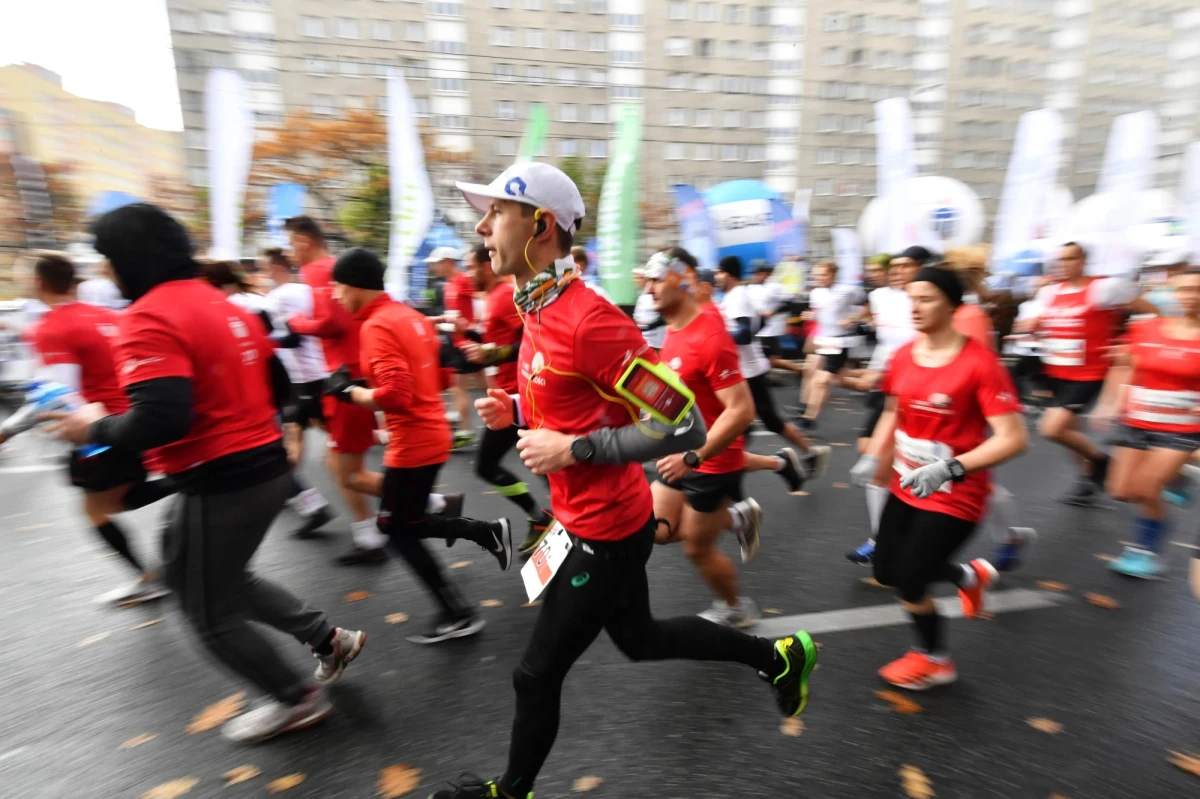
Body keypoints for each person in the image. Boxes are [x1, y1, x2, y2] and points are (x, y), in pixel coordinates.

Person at [427, 162, 817, 799]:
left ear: (541, 225)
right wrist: (519, 412)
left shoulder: (589, 320)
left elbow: (686, 424)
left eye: (496, 213)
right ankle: (780, 658)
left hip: (603, 533)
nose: (481, 226)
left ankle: (508, 793)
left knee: (535, 675)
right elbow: (581, 400)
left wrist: (574, 448)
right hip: (589, 521)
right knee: (642, 639)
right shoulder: (537, 307)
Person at [47, 204, 365, 743]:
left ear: (127, 260)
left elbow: (164, 416)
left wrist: (93, 427)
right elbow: (276, 383)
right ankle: (328, 639)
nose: (105, 274)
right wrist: (282, 434)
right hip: (259, 469)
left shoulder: (147, 317)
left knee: (206, 610)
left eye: (106, 261)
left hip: (222, 478)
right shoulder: (224, 305)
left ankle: (296, 700)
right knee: (208, 575)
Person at [849, 266, 1027, 689]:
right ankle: (970, 576)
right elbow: (893, 411)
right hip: (906, 482)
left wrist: (951, 467)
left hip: (955, 492)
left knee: (910, 582)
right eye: (911, 298)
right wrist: (874, 456)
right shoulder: (904, 355)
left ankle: (935, 660)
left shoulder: (980, 364)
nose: (915, 306)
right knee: (889, 570)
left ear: (951, 304)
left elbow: (1014, 438)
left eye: (926, 298)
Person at [326, 247, 514, 641]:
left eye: (338, 287)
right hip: (430, 434)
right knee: (403, 522)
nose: (334, 296)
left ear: (356, 286)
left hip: (413, 442)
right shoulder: (409, 316)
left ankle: (459, 611)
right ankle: (483, 534)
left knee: (396, 527)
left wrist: (350, 392)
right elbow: (439, 377)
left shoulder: (376, 326)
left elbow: (396, 395)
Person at [0, 252, 169, 606]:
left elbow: (57, 396)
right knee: (111, 500)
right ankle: (150, 571)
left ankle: (149, 575)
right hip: (129, 418)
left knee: (101, 507)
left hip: (96, 429)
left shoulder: (52, 328)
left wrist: (9, 429)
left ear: (39, 282)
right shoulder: (104, 315)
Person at [644, 251, 762, 627]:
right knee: (657, 530)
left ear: (684, 278)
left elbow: (742, 410)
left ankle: (738, 608)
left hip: (711, 462)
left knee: (696, 548)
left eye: (657, 278)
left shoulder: (709, 335)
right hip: (681, 454)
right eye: (645, 280)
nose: (648, 288)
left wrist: (693, 456)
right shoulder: (674, 331)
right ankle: (734, 517)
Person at [1019, 242, 1158, 506]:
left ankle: (1102, 462)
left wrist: (1127, 342)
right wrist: (1034, 325)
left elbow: (1150, 312)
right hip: (1056, 371)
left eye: (1071, 258)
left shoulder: (1103, 288)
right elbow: (1038, 324)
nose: (1064, 264)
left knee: (1051, 428)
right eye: (1061, 259)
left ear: (1083, 261)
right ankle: (1087, 480)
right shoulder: (1050, 293)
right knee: (1070, 433)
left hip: (1089, 373)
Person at [284, 216, 388, 564]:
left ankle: (421, 507)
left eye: (290, 244)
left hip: (346, 381)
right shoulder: (330, 270)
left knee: (348, 469)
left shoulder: (318, 272)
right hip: (342, 379)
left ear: (303, 242)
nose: (289, 252)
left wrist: (295, 324)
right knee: (337, 463)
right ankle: (371, 531)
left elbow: (334, 323)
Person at [1094, 267, 1200, 578]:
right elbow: (1124, 366)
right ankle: (1178, 478)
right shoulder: (1147, 328)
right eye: (1184, 290)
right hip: (1136, 420)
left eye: (1197, 290)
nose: (1190, 297)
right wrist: (1108, 402)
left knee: (1144, 489)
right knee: (1121, 490)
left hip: (1181, 428)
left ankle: (1146, 552)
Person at [460, 245, 554, 555]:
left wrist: (492, 352)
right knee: (541, 464)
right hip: (508, 397)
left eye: (471, 267)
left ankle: (547, 518)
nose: (468, 273)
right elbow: (499, 343)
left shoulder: (505, 296)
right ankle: (559, 519)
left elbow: (530, 340)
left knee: (491, 465)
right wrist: (474, 339)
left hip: (519, 396)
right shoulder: (492, 299)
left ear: (486, 267)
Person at [716, 255, 830, 487]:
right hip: (745, 369)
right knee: (763, 421)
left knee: (750, 423)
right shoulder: (734, 296)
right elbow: (759, 322)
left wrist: (719, 339)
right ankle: (807, 452)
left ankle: (731, 473)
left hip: (748, 371)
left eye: (718, 273)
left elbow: (746, 333)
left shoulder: (737, 296)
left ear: (727, 273)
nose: (716, 277)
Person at [260, 247, 335, 538]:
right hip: (305, 381)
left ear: (277, 268)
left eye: (265, 269)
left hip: (309, 382)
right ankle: (311, 505)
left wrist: (262, 341)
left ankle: (428, 501)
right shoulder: (306, 291)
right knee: (289, 445)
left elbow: (292, 337)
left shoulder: (278, 297)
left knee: (343, 457)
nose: (264, 275)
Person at [798, 261, 867, 429]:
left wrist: (852, 319)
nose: (820, 278)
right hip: (824, 338)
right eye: (817, 275)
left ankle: (809, 418)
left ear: (833, 275)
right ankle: (873, 378)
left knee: (822, 379)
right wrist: (811, 315)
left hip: (840, 339)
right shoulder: (816, 292)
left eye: (824, 275)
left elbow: (867, 306)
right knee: (818, 372)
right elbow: (819, 311)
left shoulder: (848, 290)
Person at [427, 247, 478, 451]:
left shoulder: (462, 280)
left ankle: (465, 430)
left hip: (465, 341)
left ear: (449, 261)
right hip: (459, 341)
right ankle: (514, 416)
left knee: (458, 387)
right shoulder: (448, 285)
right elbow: (453, 315)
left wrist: (474, 325)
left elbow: (481, 300)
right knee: (485, 385)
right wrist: (440, 321)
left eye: (437, 262)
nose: (434, 266)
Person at [748, 261, 803, 375]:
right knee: (765, 359)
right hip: (757, 328)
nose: (756, 276)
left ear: (766, 274)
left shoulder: (775, 287)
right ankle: (795, 371)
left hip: (771, 329)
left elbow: (789, 304)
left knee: (770, 359)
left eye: (759, 273)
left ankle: (800, 370)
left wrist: (773, 312)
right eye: (755, 274)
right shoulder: (750, 288)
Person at [631, 266, 666, 350]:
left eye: (639, 278)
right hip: (644, 343)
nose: (636, 281)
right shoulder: (641, 296)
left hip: (657, 344)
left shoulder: (656, 294)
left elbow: (665, 317)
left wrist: (649, 326)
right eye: (635, 278)